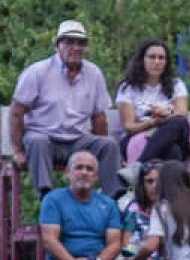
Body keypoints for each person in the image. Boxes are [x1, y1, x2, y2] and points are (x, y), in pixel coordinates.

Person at [10, 20, 123, 197]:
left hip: (77, 140)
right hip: (45, 138)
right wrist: (18, 151)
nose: (75, 47)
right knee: (37, 141)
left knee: (109, 145)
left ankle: (114, 201)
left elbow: (99, 117)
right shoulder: (37, 72)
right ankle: (47, 198)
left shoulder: (93, 73)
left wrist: (96, 157)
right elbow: (17, 112)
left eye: (80, 43)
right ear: (57, 45)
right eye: (69, 42)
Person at [40, 151, 137, 260]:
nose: (84, 172)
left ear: (96, 176)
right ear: (68, 173)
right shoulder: (53, 199)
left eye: (89, 169)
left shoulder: (108, 204)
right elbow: (50, 240)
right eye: (79, 167)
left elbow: (115, 243)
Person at [114, 39, 190, 179]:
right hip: (139, 134)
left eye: (161, 58)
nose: (157, 61)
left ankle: (137, 167)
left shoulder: (176, 84)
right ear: (142, 60)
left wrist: (166, 114)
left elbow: (182, 113)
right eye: (152, 57)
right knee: (173, 151)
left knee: (179, 121)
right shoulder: (127, 88)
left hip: (172, 131)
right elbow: (129, 126)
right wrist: (153, 122)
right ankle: (173, 196)